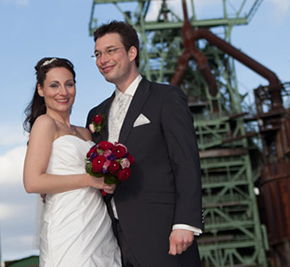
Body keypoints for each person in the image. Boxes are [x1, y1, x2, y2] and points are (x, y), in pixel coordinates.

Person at [86, 21, 204, 267]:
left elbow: (185, 161)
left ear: (132, 53)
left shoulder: (165, 97)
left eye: (110, 50)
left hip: (162, 232)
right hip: (112, 239)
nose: (102, 59)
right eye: (97, 54)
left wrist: (185, 222)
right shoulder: (96, 114)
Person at [22, 57, 122, 267]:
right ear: (40, 90)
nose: (63, 92)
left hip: (98, 222)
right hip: (67, 223)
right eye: (54, 85)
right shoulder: (45, 124)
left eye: (69, 84)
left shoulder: (85, 132)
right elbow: (32, 182)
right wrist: (89, 180)